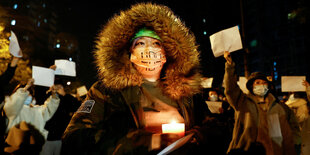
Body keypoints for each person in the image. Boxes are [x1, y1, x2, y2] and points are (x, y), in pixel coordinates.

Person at [62, 3, 213, 155]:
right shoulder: (106, 92)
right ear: (129, 52)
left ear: (168, 52)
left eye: (156, 43)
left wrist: (203, 134)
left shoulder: (187, 92)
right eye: (140, 43)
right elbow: (74, 137)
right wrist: (146, 142)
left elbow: (216, 125)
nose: (149, 50)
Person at [223, 51, 301, 155]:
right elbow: (230, 89)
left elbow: (281, 136)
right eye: (258, 83)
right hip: (246, 151)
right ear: (251, 86)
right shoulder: (242, 102)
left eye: (264, 83)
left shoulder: (276, 107)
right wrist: (229, 66)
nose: (262, 85)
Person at [3, 78, 60, 153]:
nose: (28, 95)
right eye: (26, 92)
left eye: (30, 93)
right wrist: (26, 87)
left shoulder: (37, 110)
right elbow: (13, 105)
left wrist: (54, 95)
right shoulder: (15, 109)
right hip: (16, 149)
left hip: (35, 148)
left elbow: (50, 108)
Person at [40, 78, 81, 155]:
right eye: (56, 87)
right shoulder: (47, 97)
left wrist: (65, 95)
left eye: (59, 87)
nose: (57, 89)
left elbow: (77, 107)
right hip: (47, 138)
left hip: (61, 137)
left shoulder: (66, 98)